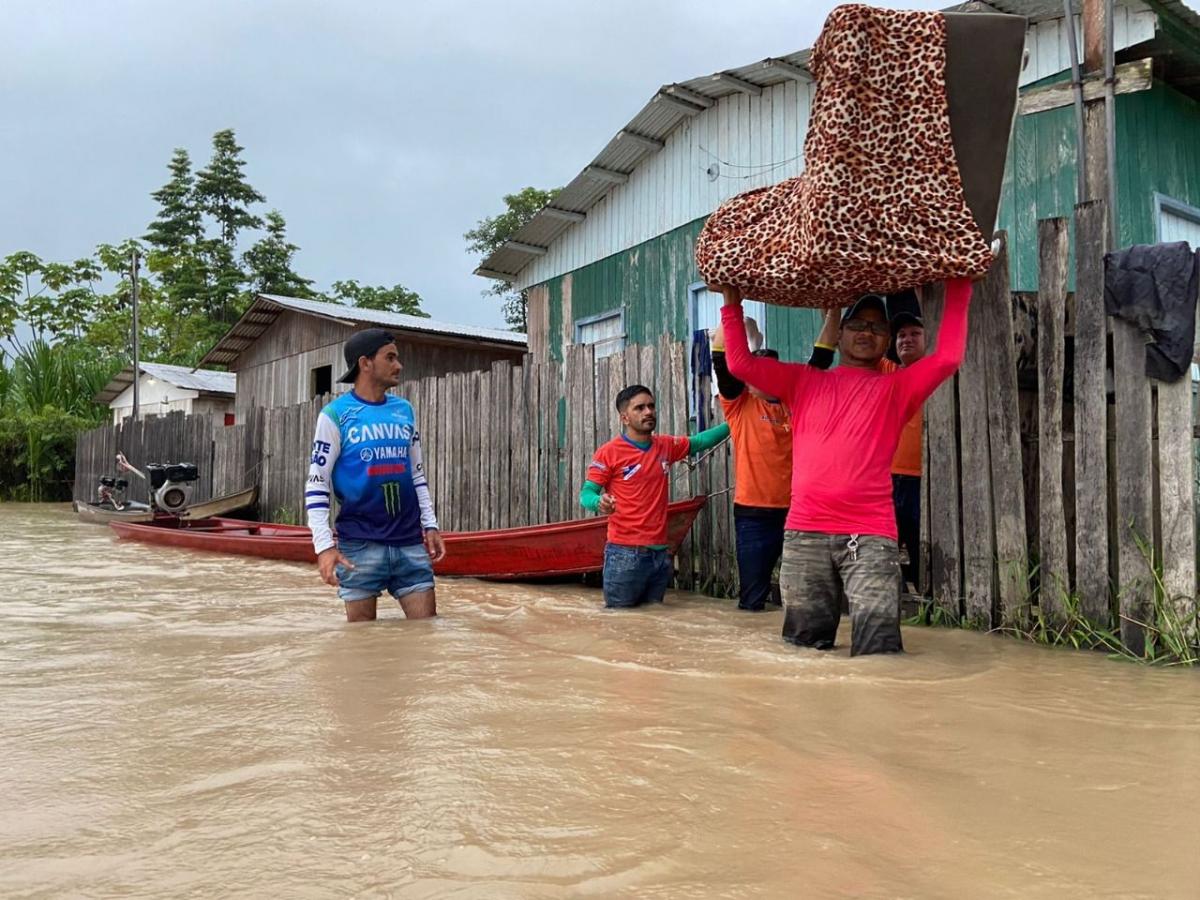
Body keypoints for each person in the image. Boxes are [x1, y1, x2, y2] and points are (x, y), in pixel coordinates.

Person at [716, 278, 972, 655]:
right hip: (805, 534)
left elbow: (948, 357)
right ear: (839, 333)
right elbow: (739, 363)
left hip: (870, 537)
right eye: (857, 324)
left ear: (887, 340)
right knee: (802, 654)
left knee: (879, 653)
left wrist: (962, 284)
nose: (866, 332)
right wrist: (731, 300)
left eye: (876, 326)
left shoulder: (898, 388)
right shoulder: (803, 381)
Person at [305, 328, 446, 623]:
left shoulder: (404, 411)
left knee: (426, 638)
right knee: (361, 649)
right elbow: (317, 484)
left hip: (410, 543)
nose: (399, 365)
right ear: (365, 363)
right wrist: (324, 547)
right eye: (390, 357)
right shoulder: (335, 415)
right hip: (358, 548)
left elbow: (417, 475)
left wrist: (430, 525)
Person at [709, 308, 841, 611]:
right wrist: (734, 310)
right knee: (752, 602)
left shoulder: (799, 402)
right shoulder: (740, 403)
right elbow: (719, 353)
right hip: (754, 515)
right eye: (757, 372)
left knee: (808, 598)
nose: (765, 378)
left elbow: (820, 361)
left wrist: (833, 315)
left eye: (772, 372)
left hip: (801, 513)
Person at [580, 384, 729, 609]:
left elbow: (699, 442)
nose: (648, 412)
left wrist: (735, 421)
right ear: (625, 418)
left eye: (651, 406)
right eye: (639, 408)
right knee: (620, 627)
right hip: (624, 554)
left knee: (653, 622)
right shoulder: (609, 452)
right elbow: (586, 493)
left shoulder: (666, 446)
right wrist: (598, 502)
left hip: (660, 555)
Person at [885, 310, 927, 590]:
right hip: (887, 477)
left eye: (915, 334)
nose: (906, 340)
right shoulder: (888, 373)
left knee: (921, 541)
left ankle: (928, 596)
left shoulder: (937, 371)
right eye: (901, 335)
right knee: (884, 543)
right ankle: (894, 596)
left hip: (924, 477)